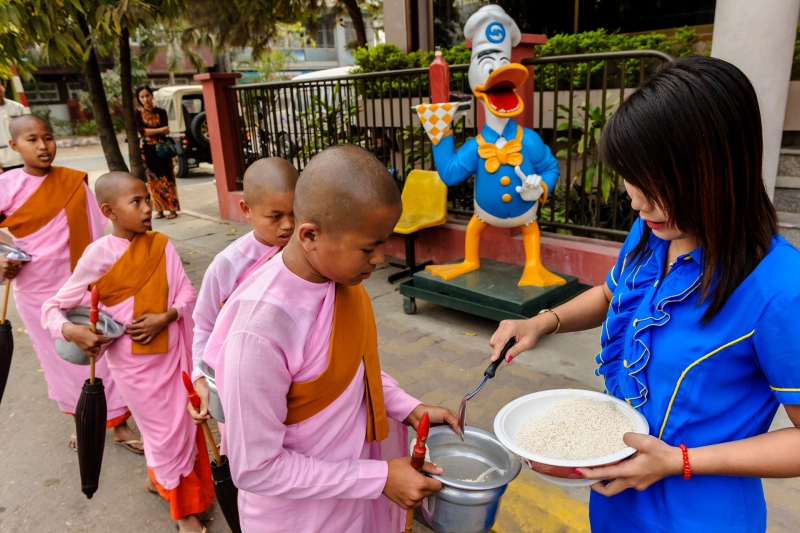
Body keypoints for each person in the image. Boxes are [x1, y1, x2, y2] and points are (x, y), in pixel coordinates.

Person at [489, 56, 800, 533]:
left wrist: (679, 461)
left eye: (654, 185)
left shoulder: (780, 289)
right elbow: (612, 295)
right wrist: (542, 322)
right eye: (631, 181)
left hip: (699, 516)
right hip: (616, 499)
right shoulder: (654, 230)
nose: (636, 202)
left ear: (716, 170)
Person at [203, 145, 459, 532]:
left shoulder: (338, 280)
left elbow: (352, 371)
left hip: (351, 497)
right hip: (298, 519)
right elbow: (256, 468)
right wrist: (379, 478)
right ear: (310, 236)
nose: (379, 259)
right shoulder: (260, 330)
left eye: (383, 243)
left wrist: (407, 407)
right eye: (369, 248)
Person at [42, 172, 213, 533]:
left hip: (173, 359)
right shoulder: (98, 254)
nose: (148, 207)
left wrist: (166, 316)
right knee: (163, 433)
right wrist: (72, 330)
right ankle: (184, 514)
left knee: (181, 427)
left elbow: (186, 294)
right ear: (109, 211)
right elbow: (54, 307)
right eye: (136, 202)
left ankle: (160, 482)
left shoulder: (162, 244)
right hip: (135, 369)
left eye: (148, 199)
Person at [0, 115, 139, 452]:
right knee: (59, 359)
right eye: (32, 139)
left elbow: (97, 235)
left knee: (100, 352)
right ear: (14, 146)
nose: (43, 145)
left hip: (80, 284)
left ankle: (118, 424)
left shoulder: (75, 183)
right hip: (34, 288)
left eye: (48, 137)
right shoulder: (7, 184)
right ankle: (80, 418)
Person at [188, 157, 298, 428]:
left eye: (294, 213)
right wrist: (200, 378)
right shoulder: (227, 265)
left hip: (299, 382)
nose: (287, 225)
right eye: (275, 216)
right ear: (246, 209)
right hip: (242, 381)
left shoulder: (309, 254)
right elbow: (204, 325)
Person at [134, 84, 179, 219]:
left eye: (147, 95)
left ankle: (172, 209)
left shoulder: (161, 112)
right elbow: (142, 131)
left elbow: (166, 129)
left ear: (152, 96)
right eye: (142, 97)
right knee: (152, 180)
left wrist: (151, 132)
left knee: (167, 178)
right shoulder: (137, 113)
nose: (145, 99)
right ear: (139, 99)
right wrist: (159, 130)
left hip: (162, 149)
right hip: (147, 150)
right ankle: (159, 209)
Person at [0, 81, 30, 173]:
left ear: (3, 87)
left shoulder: (18, 108)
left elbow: (29, 131)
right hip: (3, 163)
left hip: (24, 160)